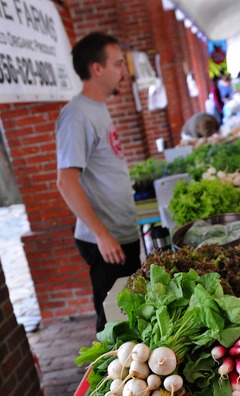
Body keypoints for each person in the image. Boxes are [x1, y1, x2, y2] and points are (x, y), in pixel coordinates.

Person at [56, 32, 141, 333]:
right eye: (118, 64)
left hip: (120, 234)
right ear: (97, 68)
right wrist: (102, 235)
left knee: (131, 320)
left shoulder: (97, 108)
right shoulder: (76, 114)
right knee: (113, 328)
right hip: (107, 243)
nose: (123, 71)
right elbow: (66, 182)